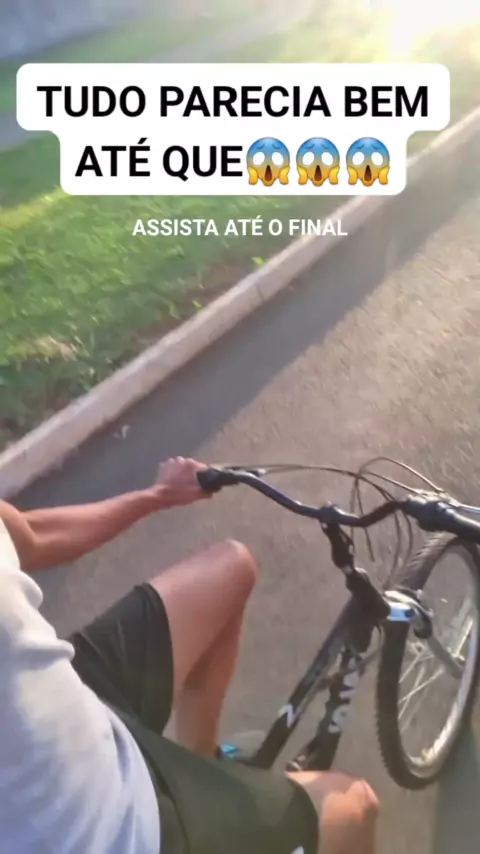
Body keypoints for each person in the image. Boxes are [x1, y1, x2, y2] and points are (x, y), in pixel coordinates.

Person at [0, 456, 379, 854]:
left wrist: (159, 495)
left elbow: (30, 535)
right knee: (354, 805)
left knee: (231, 568)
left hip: (76, 702)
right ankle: (209, 811)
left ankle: (205, 766)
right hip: (112, 826)